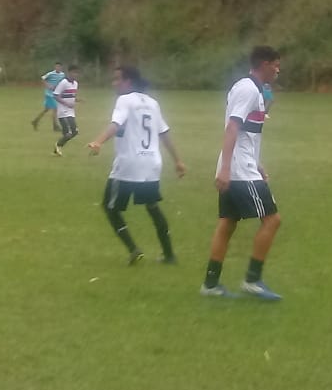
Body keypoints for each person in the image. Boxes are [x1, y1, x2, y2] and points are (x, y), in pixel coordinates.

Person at [201, 46, 284, 301]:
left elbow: (248, 133)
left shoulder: (253, 90)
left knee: (227, 224)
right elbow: (232, 128)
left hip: (243, 166)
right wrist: (226, 169)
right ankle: (252, 280)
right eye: (275, 65)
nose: (278, 70)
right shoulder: (248, 89)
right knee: (272, 220)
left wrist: (257, 163)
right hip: (239, 170)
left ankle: (210, 285)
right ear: (264, 64)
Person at [87, 66, 187, 265]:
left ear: (128, 82)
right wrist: (178, 161)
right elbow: (163, 133)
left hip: (129, 164)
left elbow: (115, 124)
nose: (114, 83)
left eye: (117, 79)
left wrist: (98, 141)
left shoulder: (124, 100)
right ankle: (169, 255)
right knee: (152, 207)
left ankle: (134, 250)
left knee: (110, 207)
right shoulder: (152, 103)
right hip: (151, 163)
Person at [52, 65, 81, 156]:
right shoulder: (63, 82)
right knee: (68, 133)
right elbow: (56, 95)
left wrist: (77, 99)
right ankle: (58, 145)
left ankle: (58, 146)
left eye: (77, 73)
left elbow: (71, 95)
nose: (75, 74)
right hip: (62, 112)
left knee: (75, 132)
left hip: (71, 112)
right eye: (73, 72)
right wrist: (66, 104)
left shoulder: (75, 83)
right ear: (69, 72)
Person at [32, 62, 66, 132]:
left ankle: (35, 121)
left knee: (46, 109)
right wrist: (48, 86)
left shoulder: (63, 75)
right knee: (55, 109)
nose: (58, 68)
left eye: (59, 67)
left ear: (61, 67)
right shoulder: (51, 74)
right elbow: (43, 78)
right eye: (56, 67)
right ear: (55, 67)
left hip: (56, 94)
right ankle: (55, 126)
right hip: (49, 94)